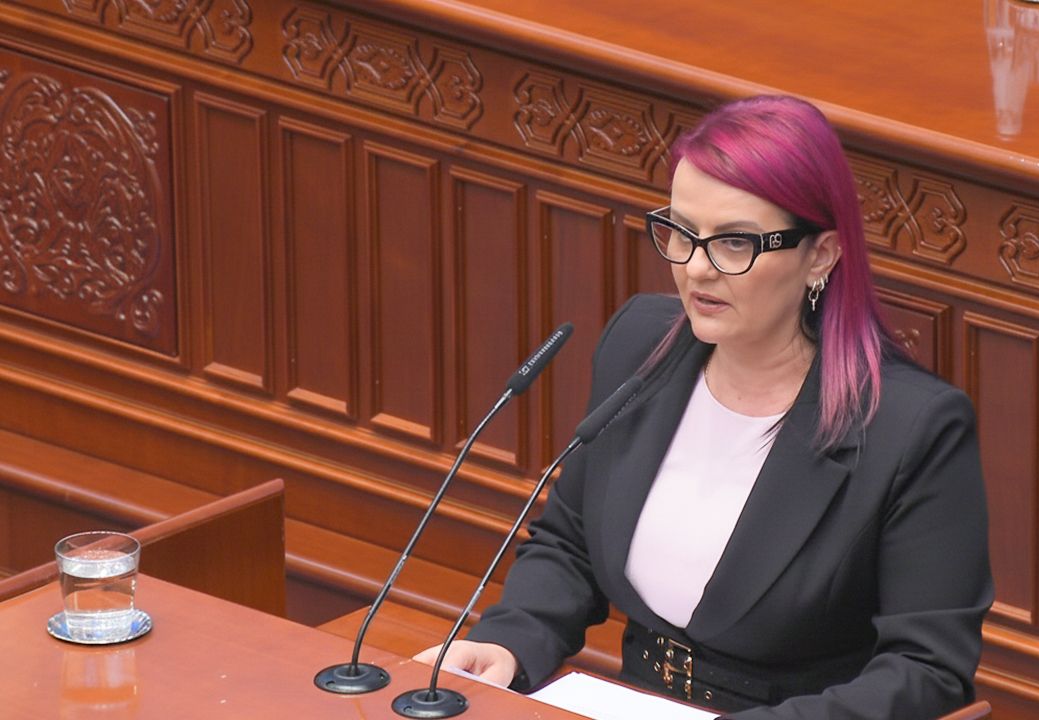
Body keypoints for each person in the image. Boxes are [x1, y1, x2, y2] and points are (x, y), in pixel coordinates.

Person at [415, 95, 993, 719]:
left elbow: (926, 670)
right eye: (683, 232)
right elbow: (571, 541)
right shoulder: (640, 345)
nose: (696, 270)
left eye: (735, 243)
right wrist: (511, 640)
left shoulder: (911, 428)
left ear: (821, 255)